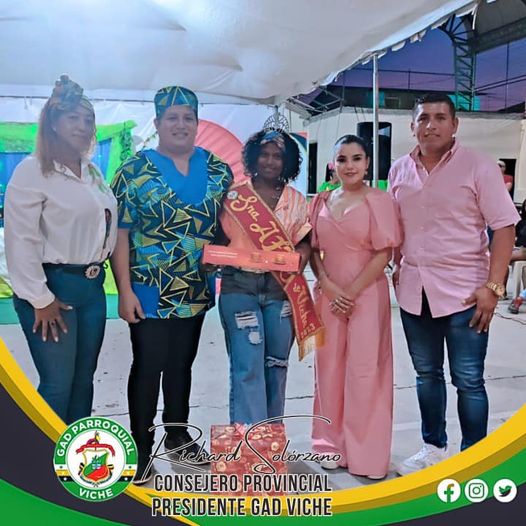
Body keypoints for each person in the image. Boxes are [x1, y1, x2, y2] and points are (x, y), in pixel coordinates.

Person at [389, 93, 519, 475]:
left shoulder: (478, 167)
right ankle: (433, 448)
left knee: (468, 380)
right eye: (423, 118)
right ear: (412, 125)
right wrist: (396, 264)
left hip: (467, 294)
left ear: (455, 124)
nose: (431, 125)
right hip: (414, 292)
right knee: (427, 375)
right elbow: (395, 225)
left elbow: (504, 227)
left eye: (440, 117)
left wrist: (494, 288)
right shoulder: (399, 170)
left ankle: (474, 459)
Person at [110, 86, 232, 483]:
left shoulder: (218, 170)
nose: (180, 125)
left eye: (187, 117)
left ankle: (178, 435)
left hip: (195, 289)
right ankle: (140, 448)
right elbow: (120, 234)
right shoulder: (134, 171)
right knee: (148, 366)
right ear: (158, 122)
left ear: (197, 122)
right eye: (172, 117)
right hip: (148, 289)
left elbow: (230, 226)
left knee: (181, 365)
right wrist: (124, 290)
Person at [4, 75, 117, 424]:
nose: (82, 126)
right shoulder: (32, 171)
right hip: (53, 287)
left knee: (83, 382)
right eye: (73, 118)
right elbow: (20, 240)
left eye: (88, 119)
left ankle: (74, 453)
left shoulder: (92, 173)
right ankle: (40, 457)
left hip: (92, 288)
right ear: (52, 122)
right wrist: (40, 299)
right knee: (57, 385)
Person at [309, 134, 401, 480]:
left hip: (367, 295)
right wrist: (328, 285)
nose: (349, 166)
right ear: (332, 164)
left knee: (365, 372)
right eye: (342, 159)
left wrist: (351, 291)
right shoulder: (321, 201)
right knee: (328, 369)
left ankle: (366, 453)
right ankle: (329, 444)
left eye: (357, 158)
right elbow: (313, 251)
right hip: (328, 295)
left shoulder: (380, 200)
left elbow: (384, 252)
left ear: (367, 163)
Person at [217, 128, 321, 424]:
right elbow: (218, 238)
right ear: (253, 157)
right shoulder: (234, 196)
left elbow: (304, 240)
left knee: (277, 365)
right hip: (240, 287)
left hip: (279, 289)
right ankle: (249, 439)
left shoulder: (296, 200)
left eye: (278, 156)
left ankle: (271, 437)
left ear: (287, 162)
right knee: (247, 367)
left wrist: (300, 258)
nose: (270, 161)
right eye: (264, 154)